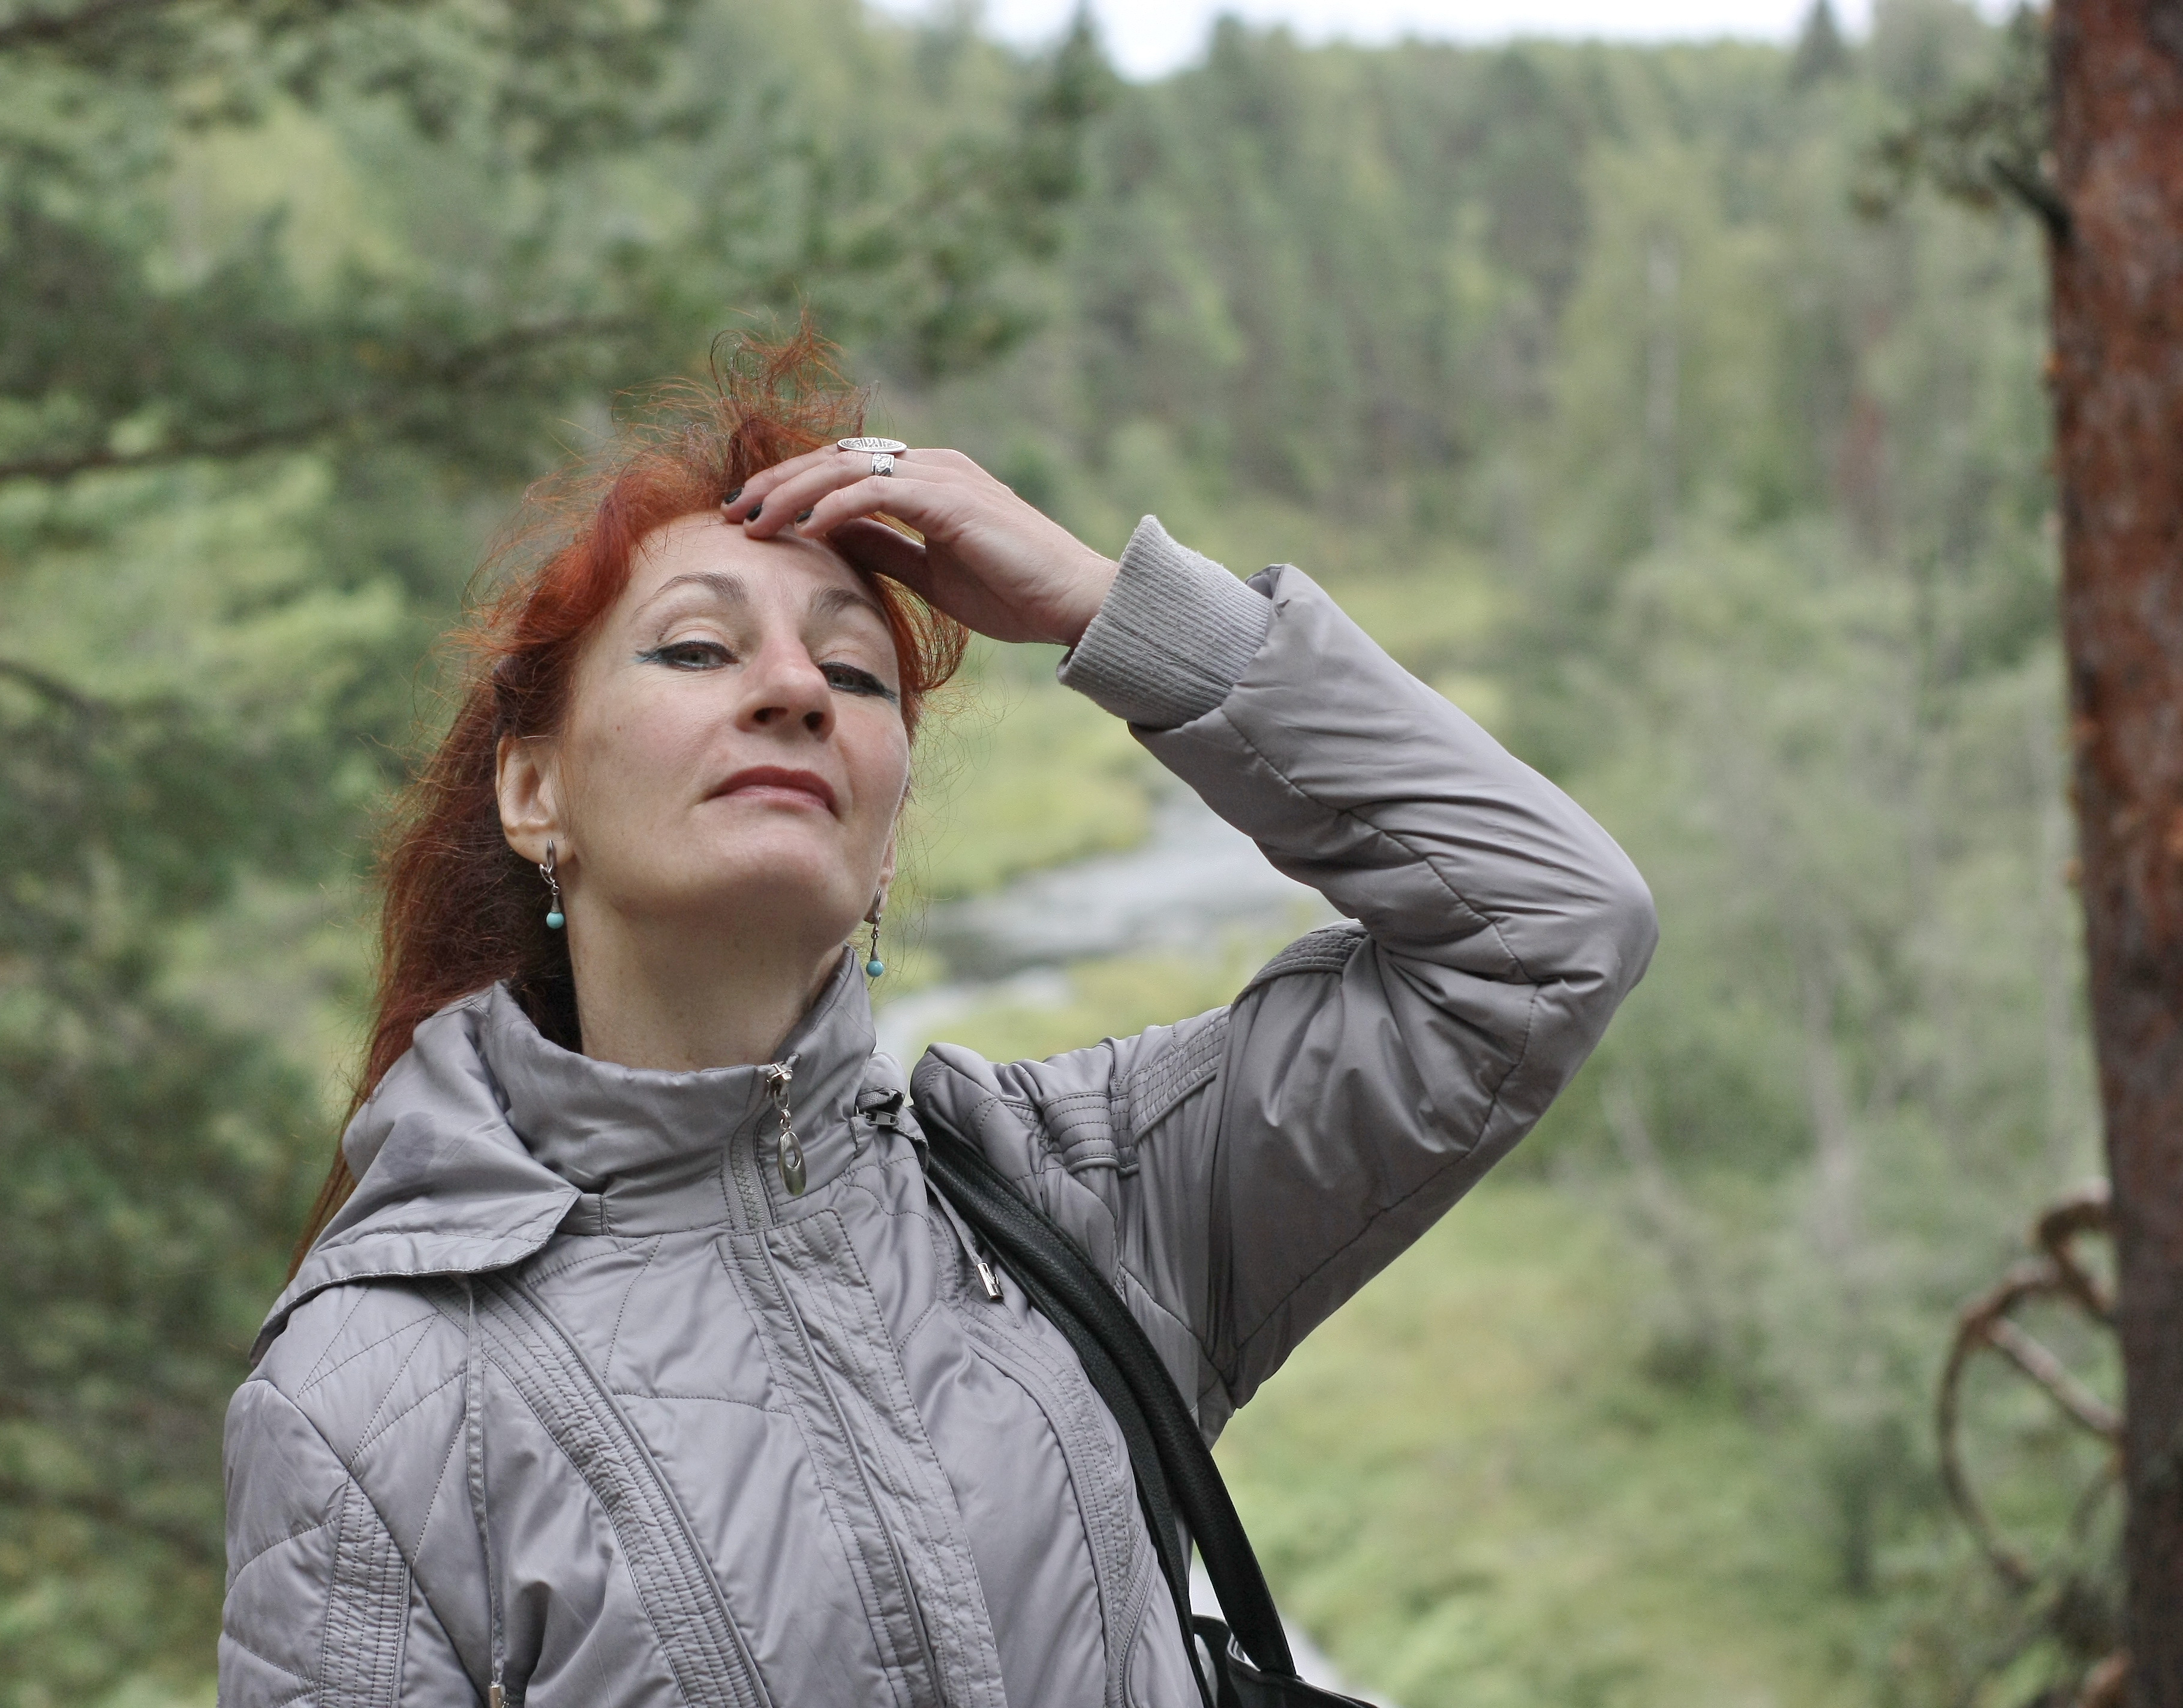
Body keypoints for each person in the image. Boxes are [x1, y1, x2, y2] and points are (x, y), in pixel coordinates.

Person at [218, 333, 1655, 1708]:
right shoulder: (380, 1397)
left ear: (886, 841)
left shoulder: (1079, 1198)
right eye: (699, 649)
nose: (795, 687)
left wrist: (1114, 609)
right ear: (534, 792)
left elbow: (1545, 933)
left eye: (854, 674)